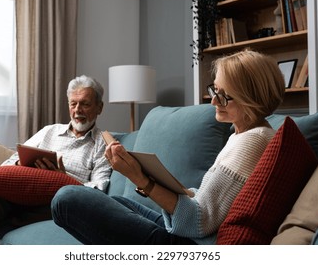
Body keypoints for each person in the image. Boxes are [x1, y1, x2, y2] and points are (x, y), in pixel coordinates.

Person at [51, 50, 286, 244]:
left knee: (67, 198)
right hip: (188, 230)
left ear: (251, 98)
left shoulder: (253, 141)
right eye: (214, 90)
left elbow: (199, 221)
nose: (213, 101)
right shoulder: (241, 135)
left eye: (224, 96)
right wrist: (155, 178)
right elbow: (207, 201)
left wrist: (140, 178)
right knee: (117, 202)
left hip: (192, 244)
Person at [0, 75, 112, 244]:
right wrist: (21, 164)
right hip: (20, 193)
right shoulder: (50, 131)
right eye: (73, 104)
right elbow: (8, 163)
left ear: (100, 107)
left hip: (54, 202)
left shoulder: (103, 144)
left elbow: (99, 190)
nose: (77, 110)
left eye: (85, 104)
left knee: (43, 210)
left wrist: (64, 179)